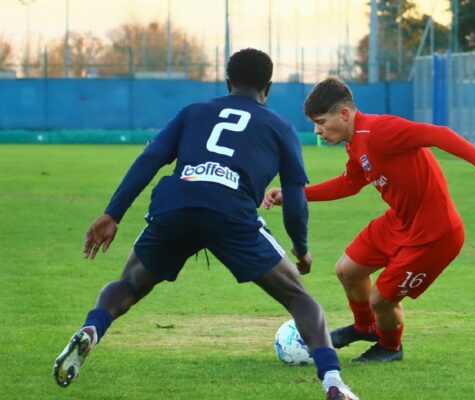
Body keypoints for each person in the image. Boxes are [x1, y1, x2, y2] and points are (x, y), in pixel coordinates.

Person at [53, 50, 358, 400]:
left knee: (129, 283)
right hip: (231, 212)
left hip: (175, 203)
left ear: (227, 82)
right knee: (298, 297)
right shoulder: (280, 127)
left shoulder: (193, 112)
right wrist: (301, 249)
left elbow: (150, 159)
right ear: (268, 87)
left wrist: (113, 213)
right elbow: (295, 201)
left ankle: (92, 328)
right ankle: (333, 382)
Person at [263, 77, 475, 362]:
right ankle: (365, 328)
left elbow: (440, 134)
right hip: (399, 221)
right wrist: (295, 195)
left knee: (381, 299)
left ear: (344, 114)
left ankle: (390, 346)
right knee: (347, 270)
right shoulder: (355, 142)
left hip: (435, 235)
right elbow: (349, 184)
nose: (317, 130)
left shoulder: (381, 130)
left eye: (322, 122)